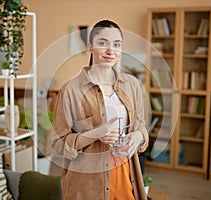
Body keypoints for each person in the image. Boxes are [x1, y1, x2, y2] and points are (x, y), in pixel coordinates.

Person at [51, 19, 149, 200]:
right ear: (90, 46)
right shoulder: (70, 90)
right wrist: (95, 134)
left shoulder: (132, 85)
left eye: (116, 44)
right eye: (103, 43)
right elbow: (57, 145)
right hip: (86, 185)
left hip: (126, 176)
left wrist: (138, 136)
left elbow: (141, 126)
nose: (111, 51)